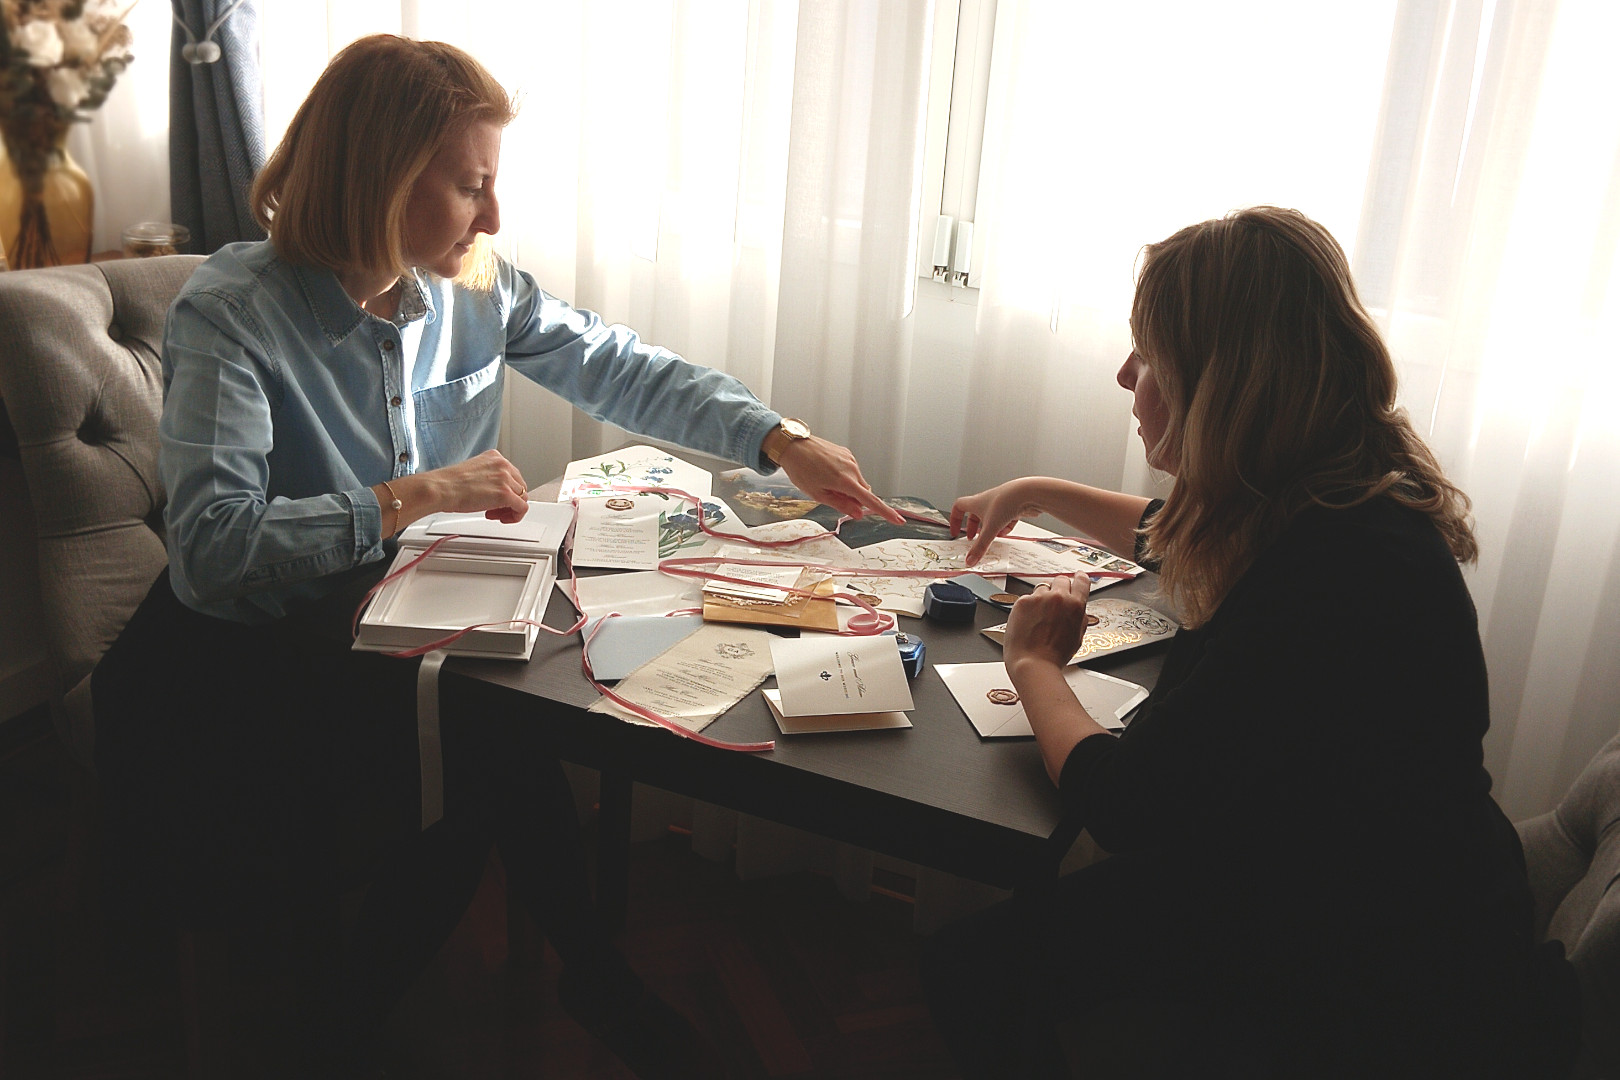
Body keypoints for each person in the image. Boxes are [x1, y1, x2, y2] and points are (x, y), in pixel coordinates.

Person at [92, 33, 899, 1076]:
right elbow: (211, 554)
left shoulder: (475, 285)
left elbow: (617, 365)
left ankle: (388, 1016)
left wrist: (778, 438)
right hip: (242, 657)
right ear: (382, 177)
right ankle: (483, 999)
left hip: (393, 616)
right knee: (489, 744)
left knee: (503, 718)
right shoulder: (234, 312)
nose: (495, 216)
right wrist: (416, 495)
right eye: (473, 185)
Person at [923, 206, 1579, 1077]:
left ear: (1221, 383)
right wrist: (1037, 491)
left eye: (1148, 354)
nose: (1125, 376)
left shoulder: (1335, 574)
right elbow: (1172, 532)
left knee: (970, 971)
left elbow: (1122, 807)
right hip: (1361, 874)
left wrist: (1036, 662)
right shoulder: (1333, 495)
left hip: (1370, 963)